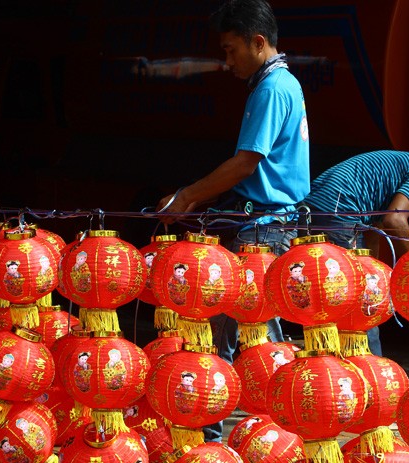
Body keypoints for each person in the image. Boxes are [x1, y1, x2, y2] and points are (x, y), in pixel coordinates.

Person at [156, 0, 310, 443]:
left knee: (254, 340)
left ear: (257, 42)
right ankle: (222, 438)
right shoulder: (281, 82)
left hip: (262, 230)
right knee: (234, 334)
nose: (227, 62)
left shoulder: (271, 88)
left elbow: (246, 163)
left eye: (230, 50)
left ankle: (259, 439)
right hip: (264, 225)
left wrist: (187, 196)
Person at [303, 147, 409, 356]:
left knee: (334, 293)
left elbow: (374, 228)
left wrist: (372, 268)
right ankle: (368, 360)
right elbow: (394, 219)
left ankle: (332, 356)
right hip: (340, 211)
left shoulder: (404, 165)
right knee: (365, 301)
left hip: (315, 208)